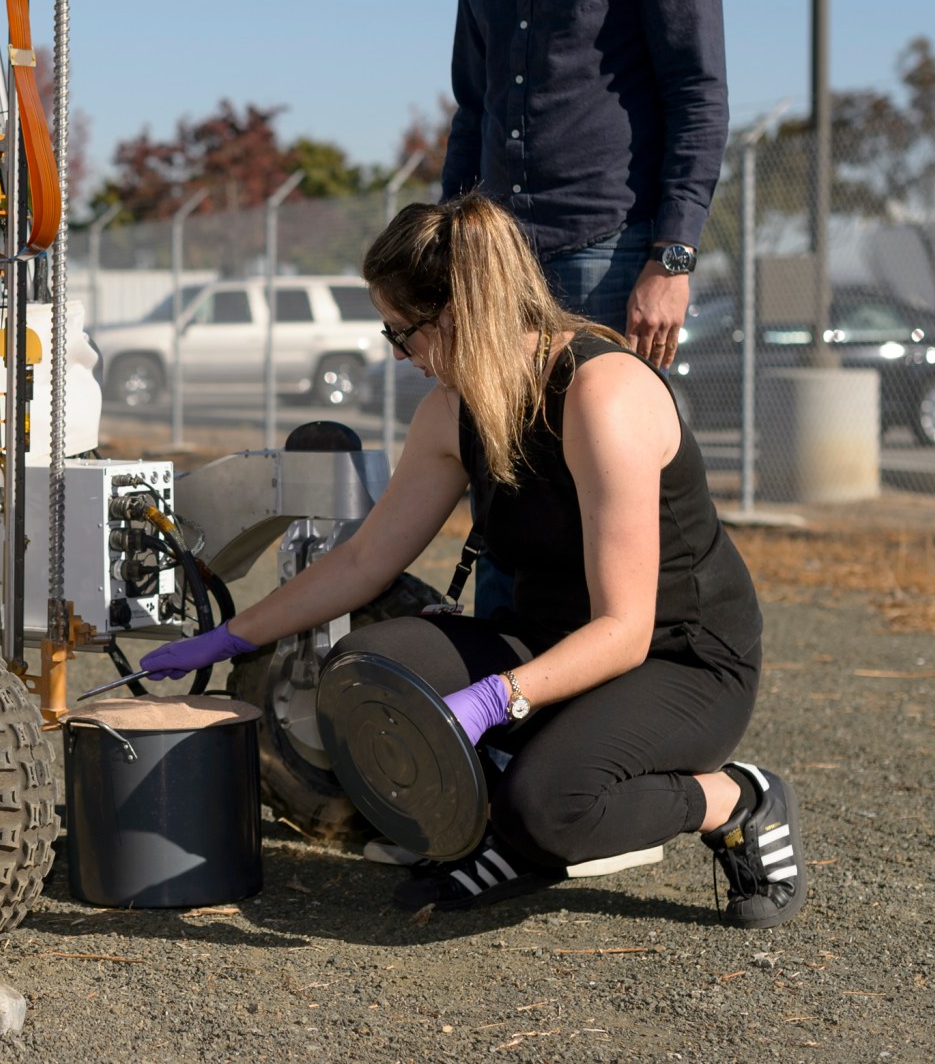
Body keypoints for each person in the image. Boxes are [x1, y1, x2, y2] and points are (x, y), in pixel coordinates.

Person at [141, 195, 805, 928]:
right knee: (367, 666)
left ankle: (735, 799)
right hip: (550, 638)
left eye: (402, 334)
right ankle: (508, 832)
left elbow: (625, 630)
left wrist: (493, 699)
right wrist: (234, 637)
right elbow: (367, 560)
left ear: (456, 316)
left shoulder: (602, 395)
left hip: (678, 661)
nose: (402, 355)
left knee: (552, 805)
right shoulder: (453, 410)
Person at [386, 0, 729, 621]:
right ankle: (501, 708)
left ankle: (627, 717)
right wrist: (450, 259)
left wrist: (672, 256)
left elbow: (697, 90)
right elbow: (476, 104)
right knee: (503, 491)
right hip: (499, 263)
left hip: (610, 256)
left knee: (603, 504)